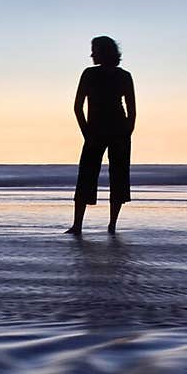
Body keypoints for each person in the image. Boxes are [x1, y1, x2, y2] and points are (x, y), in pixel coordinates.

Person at [66, 36, 136, 235]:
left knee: (118, 177)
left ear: (105, 52)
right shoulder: (89, 74)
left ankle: (111, 225)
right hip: (96, 132)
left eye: (95, 50)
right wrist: (86, 132)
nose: (91, 54)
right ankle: (78, 225)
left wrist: (127, 132)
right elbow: (77, 107)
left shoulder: (124, 76)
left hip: (116, 131)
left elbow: (132, 110)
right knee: (87, 176)